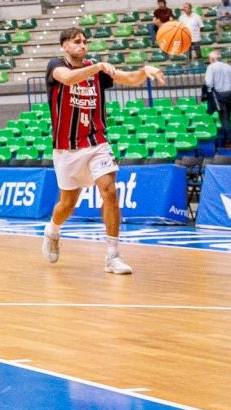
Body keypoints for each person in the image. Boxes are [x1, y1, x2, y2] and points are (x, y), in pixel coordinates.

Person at [41, 28, 165, 275]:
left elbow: (128, 79)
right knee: (67, 204)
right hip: (67, 148)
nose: (82, 45)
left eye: (85, 41)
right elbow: (68, 79)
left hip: (96, 141)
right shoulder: (56, 66)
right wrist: (98, 67)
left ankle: (113, 255)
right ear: (64, 46)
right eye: (77, 41)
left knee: (109, 191)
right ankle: (52, 230)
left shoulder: (96, 70)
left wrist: (144, 71)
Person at [204, 47, 231, 147]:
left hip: (219, 95)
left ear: (212, 59)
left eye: (209, 59)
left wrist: (209, 94)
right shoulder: (228, 67)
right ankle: (229, 140)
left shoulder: (211, 67)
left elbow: (208, 83)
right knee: (227, 117)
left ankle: (230, 141)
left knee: (223, 117)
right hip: (230, 94)